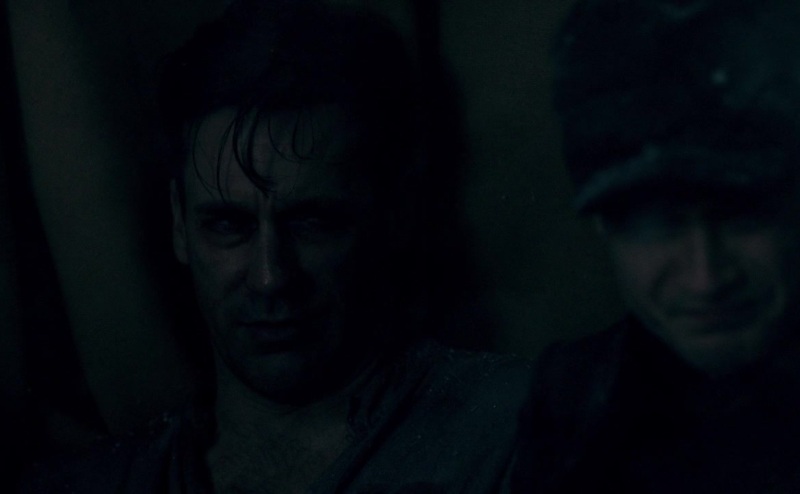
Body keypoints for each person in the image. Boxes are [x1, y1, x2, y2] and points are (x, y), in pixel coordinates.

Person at [19, 1, 532, 493]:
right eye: (228, 225)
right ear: (178, 224)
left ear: (391, 216)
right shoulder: (96, 482)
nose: (270, 276)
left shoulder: (517, 431)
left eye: (313, 222)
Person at [513, 0, 800, 492]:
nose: (706, 278)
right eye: (656, 225)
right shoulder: (574, 399)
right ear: (604, 228)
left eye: (742, 214)